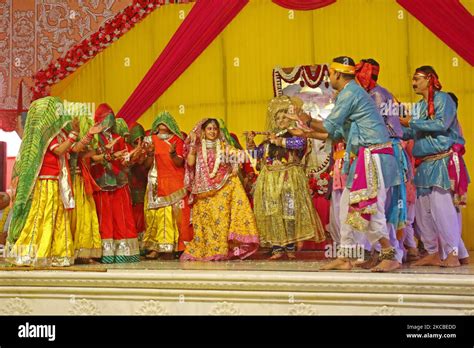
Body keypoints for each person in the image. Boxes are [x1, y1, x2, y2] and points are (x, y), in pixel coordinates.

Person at [288, 57, 402, 272]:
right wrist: (307, 132)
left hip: (372, 155)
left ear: (338, 74)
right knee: (345, 210)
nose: (329, 78)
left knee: (369, 207)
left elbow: (330, 126)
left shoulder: (351, 92)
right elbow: (338, 133)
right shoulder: (351, 93)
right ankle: (345, 257)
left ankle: (391, 254)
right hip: (361, 157)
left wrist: (306, 118)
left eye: (330, 73)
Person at [6, 96, 100, 266]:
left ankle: (57, 253)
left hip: (58, 179)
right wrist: (74, 134)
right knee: (44, 215)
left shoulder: (60, 132)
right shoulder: (46, 133)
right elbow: (59, 150)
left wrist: (87, 136)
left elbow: (74, 149)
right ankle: (36, 253)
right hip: (46, 181)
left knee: (57, 216)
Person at [400, 68, 470, 267]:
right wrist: (392, 128)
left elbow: (441, 124)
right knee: (423, 213)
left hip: (442, 161)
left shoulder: (443, 99)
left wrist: (412, 122)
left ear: (429, 79)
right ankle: (433, 252)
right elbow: (412, 132)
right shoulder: (420, 106)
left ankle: (453, 254)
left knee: (443, 210)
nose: (413, 82)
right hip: (424, 164)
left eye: (417, 78)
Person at [247, 96, 325, 260]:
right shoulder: (268, 139)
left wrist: (280, 141)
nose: (281, 120)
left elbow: (300, 145)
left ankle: (290, 246)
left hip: (289, 180)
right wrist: (251, 143)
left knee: (289, 213)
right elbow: (256, 155)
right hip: (269, 181)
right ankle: (277, 248)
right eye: (278, 118)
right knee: (273, 213)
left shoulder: (295, 135)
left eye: (284, 117)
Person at [181, 118, 259, 261]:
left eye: (215, 129)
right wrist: (192, 144)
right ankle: (207, 249)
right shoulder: (198, 147)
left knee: (220, 222)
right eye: (209, 129)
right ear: (203, 131)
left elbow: (245, 157)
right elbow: (191, 163)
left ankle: (220, 250)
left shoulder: (223, 148)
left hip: (222, 189)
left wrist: (250, 144)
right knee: (205, 223)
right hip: (202, 191)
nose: (213, 131)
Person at [90, 104, 139, 263]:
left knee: (122, 216)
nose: (108, 121)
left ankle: (123, 253)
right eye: (105, 118)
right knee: (105, 218)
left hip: (119, 182)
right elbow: (92, 158)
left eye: (111, 117)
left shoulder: (117, 137)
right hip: (102, 182)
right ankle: (106, 254)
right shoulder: (94, 137)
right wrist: (110, 156)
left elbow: (125, 157)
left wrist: (132, 155)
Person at [141, 111, 192, 259]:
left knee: (178, 215)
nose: (163, 121)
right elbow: (145, 166)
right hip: (156, 182)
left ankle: (178, 246)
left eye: (166, 120)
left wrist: (173, 154)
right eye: (159, 120)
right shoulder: (149, 140)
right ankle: (156, 248)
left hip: (176, 182)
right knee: (156, 215)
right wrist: (150, 154)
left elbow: (180, 162)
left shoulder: (178, 139)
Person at [69, 107, 104, 264]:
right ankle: (73, 251)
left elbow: (86, 154)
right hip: (70, 182)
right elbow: (76, 150)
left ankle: (82, 251)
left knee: (85, 214)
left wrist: (104, 151)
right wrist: (89, 135)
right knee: (76, 215)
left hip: (81, 180)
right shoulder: (66, 137)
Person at [127, 122, 148, 250]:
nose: (139, 142)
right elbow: (129, 163)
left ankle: (143, 245)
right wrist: (136, 153)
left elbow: (145, 165)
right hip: (130, 185)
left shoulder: (147, 149)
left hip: (143, 185)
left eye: (141, 139)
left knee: (142, 215)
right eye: (136, 140)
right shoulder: (127, 149)